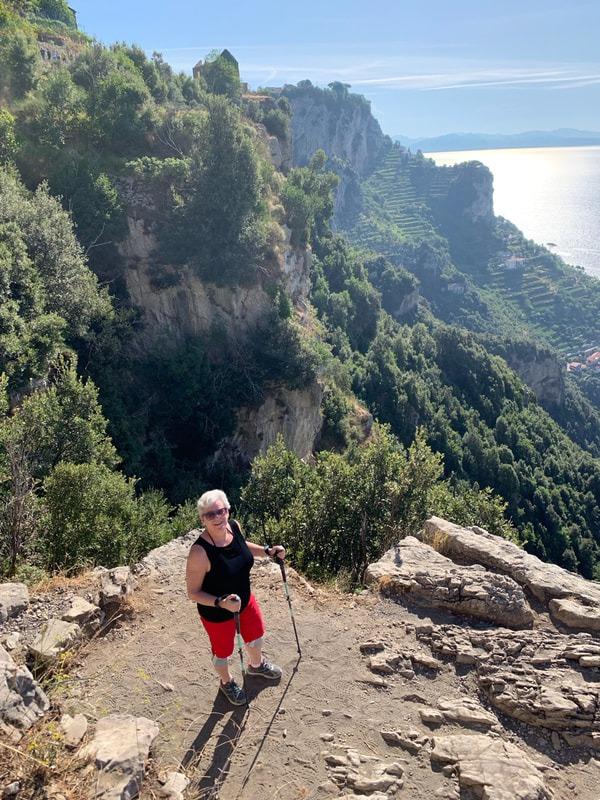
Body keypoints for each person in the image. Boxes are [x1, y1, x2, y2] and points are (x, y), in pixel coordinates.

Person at [185, 489, 285, 706]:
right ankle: (226, 682)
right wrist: (220, 602)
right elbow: (193, 592)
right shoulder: (199, 553)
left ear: (228, 511)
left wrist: (267, 551)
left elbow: (242, 546)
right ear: (203, 519)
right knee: (222, 652)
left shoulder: (234, 527)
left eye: (221, 511)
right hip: (217, 613)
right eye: (210, 515)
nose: (218, 518)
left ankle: (256, 666)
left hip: (245, 601)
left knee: (255, 635)